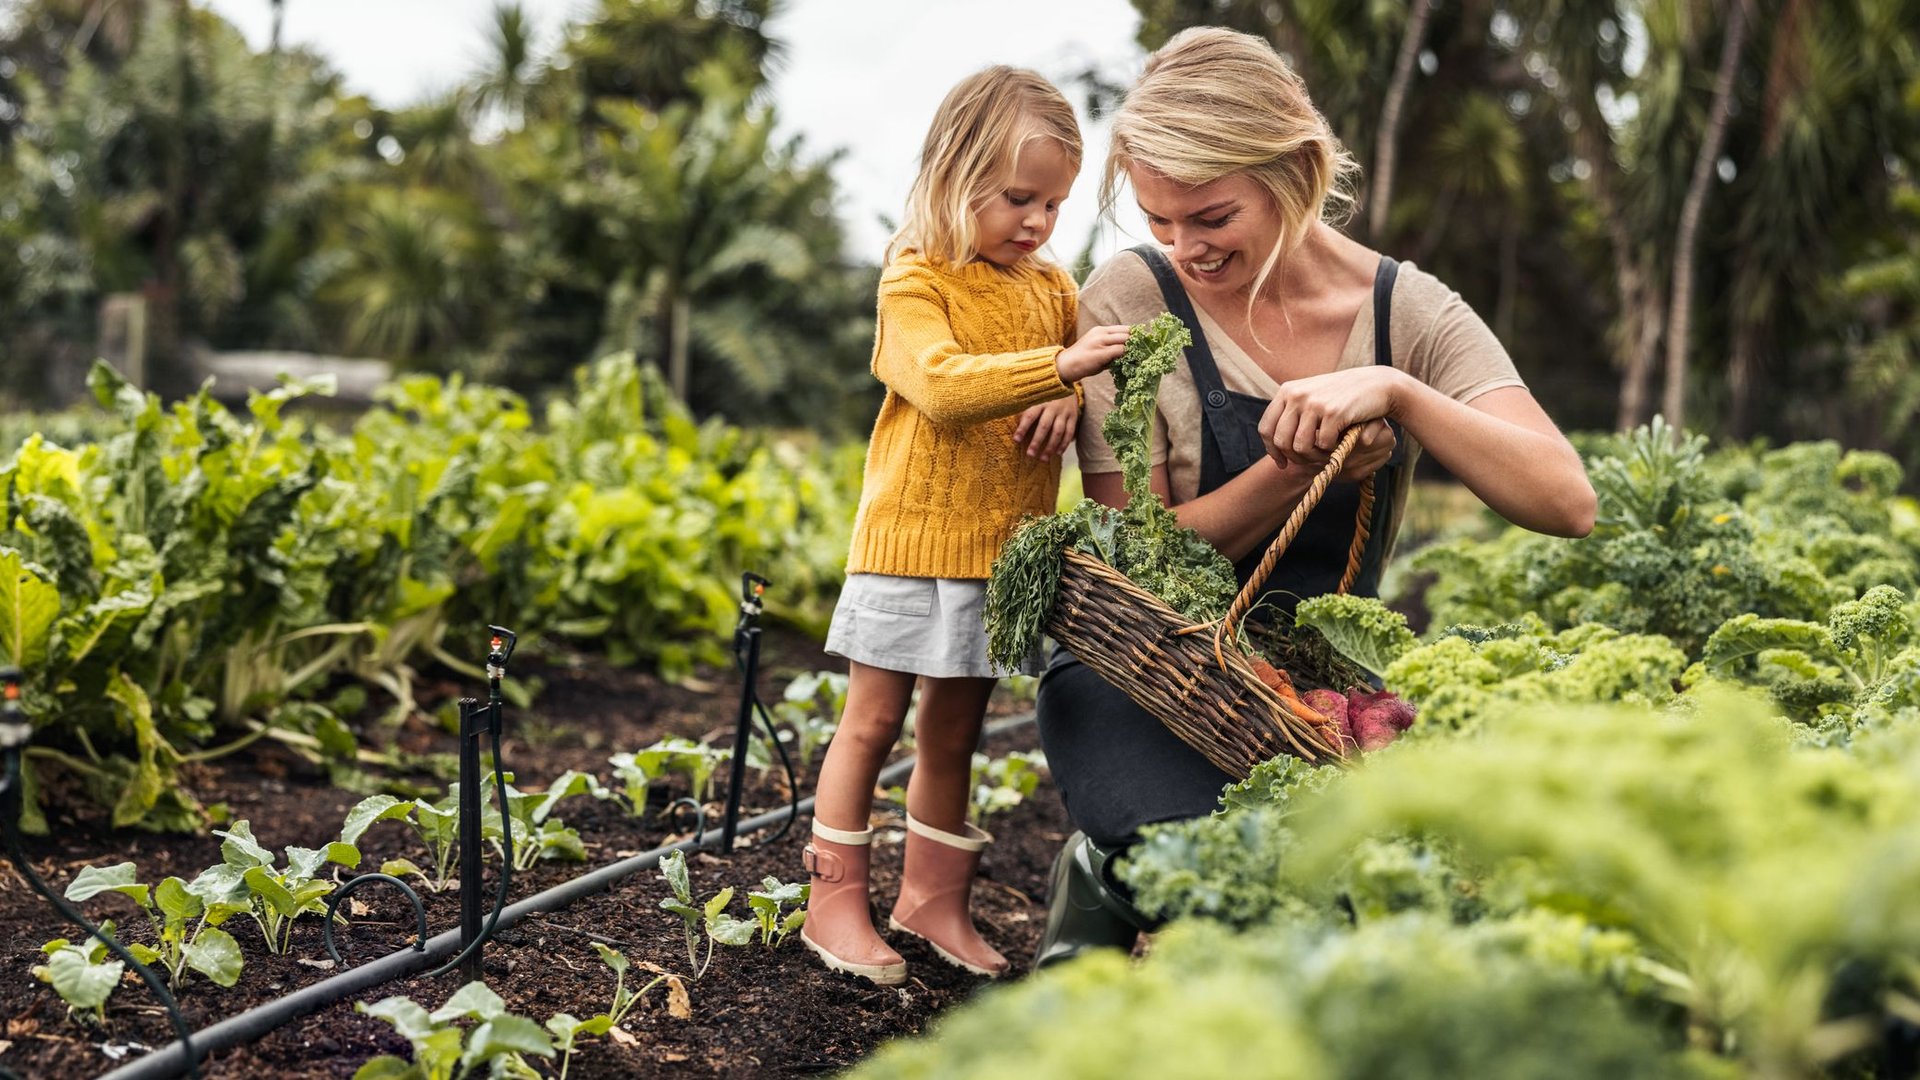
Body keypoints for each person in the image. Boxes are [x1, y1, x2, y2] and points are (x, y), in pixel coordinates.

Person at [1032, 26, 1597, 965]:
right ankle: (1105, 875)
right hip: (1147, 673)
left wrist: (1401, 391)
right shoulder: (1130, 300)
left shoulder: (1404, 311)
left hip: (1316, 691)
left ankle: (1118, 888)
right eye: (1160, 219)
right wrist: (1287, 472)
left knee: (1380, 899)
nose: (1185, 247)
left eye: (1212, 217)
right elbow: (1135, 562)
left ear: (1293, 170)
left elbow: (1565, 500)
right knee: (1224, 875)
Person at [801, 65, 1133, 986]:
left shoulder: (1051, 287)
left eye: (1054, 205)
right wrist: (1058, 372)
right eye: (1018, 198)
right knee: (871, 723)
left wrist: (1068, 397)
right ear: (954, 174)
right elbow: (944, 387)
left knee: (956, 735)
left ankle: (932, 902)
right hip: (909, 547)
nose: (1035, 222)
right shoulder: (915, 279)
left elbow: (1071, 385)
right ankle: (833, 907)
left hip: (1001, 557)